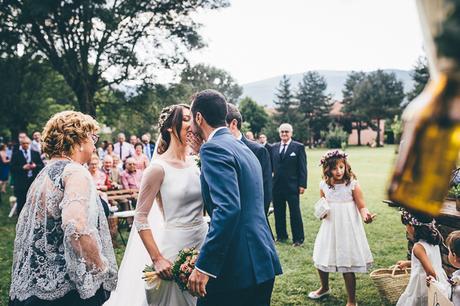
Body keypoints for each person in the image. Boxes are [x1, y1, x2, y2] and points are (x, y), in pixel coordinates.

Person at [9, 110, 117, 306]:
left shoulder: (43, 175)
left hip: (38, 286)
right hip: (67, 291)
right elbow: (75, 225)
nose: (95, 145)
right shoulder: (75, 172)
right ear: (79, 140)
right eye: (93, 138)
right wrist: (99, 266)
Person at [105, 104, 208, 306]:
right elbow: (141, 217)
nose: (193, 123)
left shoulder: (198, 162)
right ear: (170, 127)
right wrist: (157, 258)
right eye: (187, 118)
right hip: (174, 246)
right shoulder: (158, 168)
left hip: (203, 241)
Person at [188, 89, 282, 306]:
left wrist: (204, 266)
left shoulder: (212, 149)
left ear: (199, 117)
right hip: (262, 259)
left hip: (237, 267)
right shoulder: (242, 147)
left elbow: (228, 209)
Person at [309, 150, 374, 305]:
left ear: (346, 166)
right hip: (330, 226)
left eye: (341, 167)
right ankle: (324, 287)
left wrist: (366, 215)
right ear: (327, 169)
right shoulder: (324, 185)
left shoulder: (352, 184)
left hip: (347, 227)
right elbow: (323, 204)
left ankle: (351, 300)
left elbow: (362, 206)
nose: (338, 171)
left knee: (347, 261)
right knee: (322, 255)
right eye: (334, 168)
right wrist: (322, 212)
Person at [225, 104, 273, 217]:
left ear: (234, 124)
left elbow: (266, 188)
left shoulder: (258, 150)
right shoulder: (216, 150)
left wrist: (260, 217)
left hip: (252, 217)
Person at [396, 209, 450, 306]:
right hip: (440, 278)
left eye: (406, 225)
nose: (406, 229)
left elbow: (430, 272)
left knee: (421, 302)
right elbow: (429, 261)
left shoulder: (418, 247)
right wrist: (407, 263)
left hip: (423, 284)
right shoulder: (433, 241)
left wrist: (431, 285)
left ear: (412, 227)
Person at [270, 123, 307, 246]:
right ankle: (281, 236)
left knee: (294, 213)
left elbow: (302, 168)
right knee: (279, 212)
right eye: (282, 132)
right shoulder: (273, 147)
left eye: (286, 131)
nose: (284, 134)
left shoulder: (298, 147)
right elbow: (270, 167)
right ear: (279, 133)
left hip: (292, 186)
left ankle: (298, 239)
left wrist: (302, 185)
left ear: (291, 133)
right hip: (277, 186)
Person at [10, 137, 44, 215]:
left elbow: (41, 165)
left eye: (27, 143)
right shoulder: (16, 154)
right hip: (21, 181)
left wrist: (35, 166)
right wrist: (22, 167)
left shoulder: (35, 153)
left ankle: (32, 216)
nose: (25, 145)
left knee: (33, 199)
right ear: (20, 144)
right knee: (21, 200)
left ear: (30, 144)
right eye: (23, 143)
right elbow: (12, 168)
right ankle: (21, 217)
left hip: (33, 181)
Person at [445, 230, 460, 305]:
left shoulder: (457, 286)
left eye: (449, 251)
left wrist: (435, 285)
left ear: (454, 256)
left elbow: (446, 294)